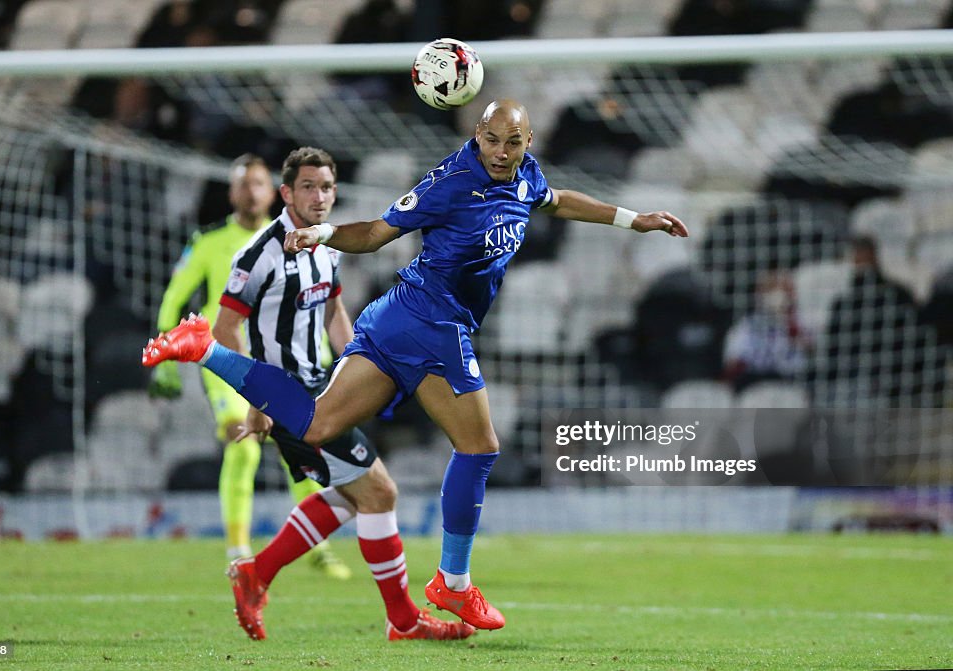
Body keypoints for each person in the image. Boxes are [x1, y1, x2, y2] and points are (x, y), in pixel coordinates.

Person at [143, 99, 688, 631]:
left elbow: (557, 199)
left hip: (395, 322)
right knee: (479, 447)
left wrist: (632, 219)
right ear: (476, 133)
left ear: (529, 143)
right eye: (491, 140)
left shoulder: (526, 176)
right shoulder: (450, 182)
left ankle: (204, 349)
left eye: (512, 142)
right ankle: (451, 584)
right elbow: (379, 233)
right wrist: (325, 233)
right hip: (432, 324)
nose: (500, 152)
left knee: (315, 425)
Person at [197, 146, 473, 642]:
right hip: (290, 400)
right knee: (379, 492)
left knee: (349, 497)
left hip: (323, 390)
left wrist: (359, 374)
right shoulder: (259, 254)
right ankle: (404, 621)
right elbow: (225, 332)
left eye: (326, 187)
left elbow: (334, 316)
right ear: (286, 193)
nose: (319, 197)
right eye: (308, 187)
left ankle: (256, 573)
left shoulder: (326, 246)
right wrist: (258, 402)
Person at [149, 153, 351, 578]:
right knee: (242, 448)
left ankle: (316, 547)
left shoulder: (301, 238)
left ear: (272, 191)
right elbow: (174, 298)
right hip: (234, 363)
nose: (250, 192)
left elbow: (327, 307)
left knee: (299, 452)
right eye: (243, 184)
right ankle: (238, 549)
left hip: (297, 363)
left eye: (257, 183)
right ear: (231, 191)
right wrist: (166, 358)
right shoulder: (211, 243)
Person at [722, 270, 809, 392]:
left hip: (789, 383)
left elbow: (804, 358)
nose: (778, 295)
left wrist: (788, 323)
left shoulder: (800, 322)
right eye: (771, 290)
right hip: (754, 384)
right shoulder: (748, 325)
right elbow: (734, 363)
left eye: (784, 289)